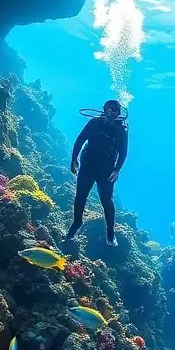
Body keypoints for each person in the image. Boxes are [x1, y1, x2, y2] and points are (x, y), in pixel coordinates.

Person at [65, 100, 128, 246]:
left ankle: (111, 233)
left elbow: (123, 152)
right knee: (80, 196)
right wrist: (74, 159)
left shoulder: (121, 130)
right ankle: (77, 222)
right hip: (87, 165)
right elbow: (80, 140)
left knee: (106, 200)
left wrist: (117, 170)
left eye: (115, 111)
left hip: (106, 170)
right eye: (109, 109)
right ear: (104, 110)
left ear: (119, 114)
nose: (111, 113)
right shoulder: (94, 123)